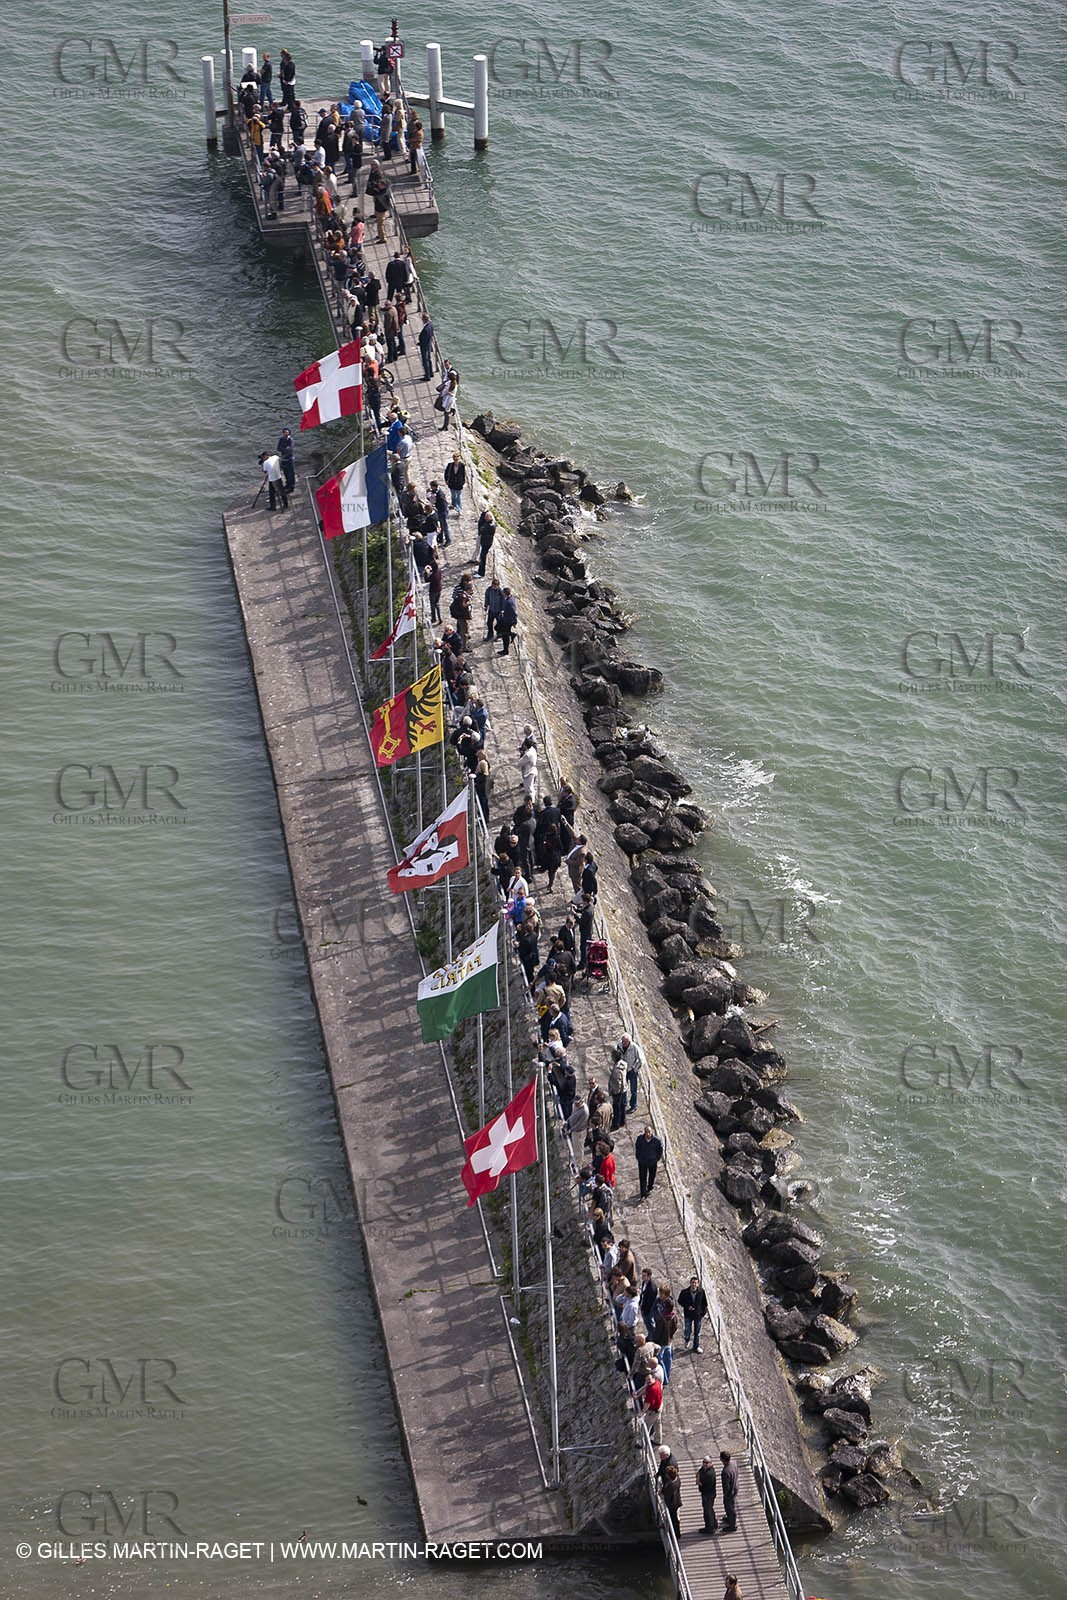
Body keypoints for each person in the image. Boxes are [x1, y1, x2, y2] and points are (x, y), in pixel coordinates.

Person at [678, 1276, 709, 1354]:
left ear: (697, 1284)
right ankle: (687, 1340)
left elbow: (704, 1303)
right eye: (692, 1282)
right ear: (690, 1283)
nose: (694, 1284)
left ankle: (696, 1346)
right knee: (687, 1330)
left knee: (697, 1332)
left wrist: (702, 1313)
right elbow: (680, 1301)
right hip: (688, 1314)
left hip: (697, 1315)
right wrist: (687, 1306)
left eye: (695, 1283)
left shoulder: (701, 1292)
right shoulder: (684, 1292)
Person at [653, 1289, 677, 1385]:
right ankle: (668, 1373)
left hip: (662, 1341)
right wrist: (670, 1335)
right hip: (669, 1340)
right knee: (669, 1357)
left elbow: (658, 1331)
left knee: (660, 1358)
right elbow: (675, 1328)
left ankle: (665, 1379)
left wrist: (655, 1340)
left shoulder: (662, 1318)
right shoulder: (673, 1316)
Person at [615, 1032, 643, 1113]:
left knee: (633, 1090)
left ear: (629, 1041)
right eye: (622, 1041)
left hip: (632, 1071)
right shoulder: (619, 1046)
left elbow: (641, 1060)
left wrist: (635, 1069)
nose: (623, 1043)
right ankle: (624, 1103)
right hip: (623, 1070)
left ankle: (633, 1106)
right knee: (623, 1088)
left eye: (625, 1042)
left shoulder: (634, 1047)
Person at [634, 1123, 663, 1200]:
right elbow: (637, 1148)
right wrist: (638, 1157)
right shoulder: (640, 1139)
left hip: (652, 1162)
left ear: (652, 1132)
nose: (648, 1134)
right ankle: (643, 1193)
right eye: (646, 1132)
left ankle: (650, 1186)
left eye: (649, 1132)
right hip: (642, 1162)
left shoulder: (657, 1141)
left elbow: (660, 1150)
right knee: (642, 1177)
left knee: (652, 1175)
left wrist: (657, 1159)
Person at [365, 161, 391, 242]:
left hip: (381, 209)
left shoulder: (382, 193)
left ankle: (383, 238)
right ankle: (380, 235)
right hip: (379, 207)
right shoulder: (382, 191)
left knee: (380, 224)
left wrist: (374, 189)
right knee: (380, 223)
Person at [638, 1365, 664, 1445]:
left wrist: (642, 1413)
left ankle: (642, 1443)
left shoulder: (652, 1390)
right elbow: (646, 1388)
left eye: (647, 1380)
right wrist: (638, 1395)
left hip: (653, 1411)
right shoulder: (656, 1382)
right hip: (659, 1407)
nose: (646, 1382)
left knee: (645, 1427)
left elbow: (647, 1403)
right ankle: (658, 1440)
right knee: (657, 1424)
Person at [661, 1463, 682, 1541]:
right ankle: (676, 1533)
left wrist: (662, 1495)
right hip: (677, 1501)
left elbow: (667, 1495)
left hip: (673, 1504)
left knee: (674, 1519)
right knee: (675, 1518)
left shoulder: (671, 1485)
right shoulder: (677, 1479)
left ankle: (676, 1534)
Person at [720, 1451, 739, 1533]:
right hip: (735, 1487)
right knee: (732, 1505)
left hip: (730, 1492)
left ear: (722, 1459)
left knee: (729, 1507)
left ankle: (732, 1525)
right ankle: (730, 1518)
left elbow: (726, 1486)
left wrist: (726, 1495)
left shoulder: (725, 1472)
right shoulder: (734, 1463)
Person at [608, 1053, 627, 1132]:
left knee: (616, 1108)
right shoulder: (624, 1064)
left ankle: (616, 1124)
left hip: (617, 1091)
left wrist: (614, 1091)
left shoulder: (616, 1070)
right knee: (622, 1106)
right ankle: (622, 1120)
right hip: (624, 1089)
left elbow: (617, 1082)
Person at [484, 576, 506, 642]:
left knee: (499, 624)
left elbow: (503, 601)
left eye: (495, 586)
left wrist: (502, 609)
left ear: (498, 586)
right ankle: (490, 635)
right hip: (491, 610)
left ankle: (498, 636)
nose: (493, 587)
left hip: (498, 611)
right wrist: (486, 605)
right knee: (489, 623)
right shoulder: (489, 590)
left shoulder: (501, 592)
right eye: (493, 585)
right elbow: (487, 597)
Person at [519, 729, 538, 801]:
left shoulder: (528, 754)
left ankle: (531, 802)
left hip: (529, 771)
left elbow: (520, 763)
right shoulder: (531, 749)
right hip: (531, 769)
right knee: (529, 787)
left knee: (529, 789)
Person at [498, 587, 518, 655]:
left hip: (508, 621)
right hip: (506, 618)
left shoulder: (510, 602)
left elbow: (514, 613)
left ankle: (505, 650)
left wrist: (515, 622)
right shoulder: (510, 598)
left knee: (505, 636)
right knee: (498, 628)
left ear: (505, 594)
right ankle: (511, 634)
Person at [476, 508, 495, 575]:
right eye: (485, 517)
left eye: (487, 517)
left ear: (490, 517)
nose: (485, 518)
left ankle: (481, 573)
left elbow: (482, 531)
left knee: (483, 557)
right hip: (485, 542)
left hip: (486, 543)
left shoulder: (490, 526)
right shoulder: (488, 524)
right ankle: (479, 570)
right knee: (482, 557)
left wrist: (482, 529)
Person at [276, 427, 296, 493]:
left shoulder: (291, 440)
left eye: (287, 432)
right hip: (284, 459)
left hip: (290, 459)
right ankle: (287, 484)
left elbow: (290, 450)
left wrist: (283, 448)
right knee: (286, 473)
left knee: (291, 473)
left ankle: (291, 486)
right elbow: (278, 448)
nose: (286, 433)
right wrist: (285, 449)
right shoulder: (281, 439)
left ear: (289, 432)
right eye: (284, 432)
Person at [417, 313, 435, 381]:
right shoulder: (431, 325)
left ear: (424, 319)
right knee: (429, 359)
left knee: (425, 361)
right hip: (428, 345)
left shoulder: (426, 329)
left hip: (425, 346)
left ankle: (427, 376)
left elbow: (424, 339)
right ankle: (430, 372)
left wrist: (420, 343)